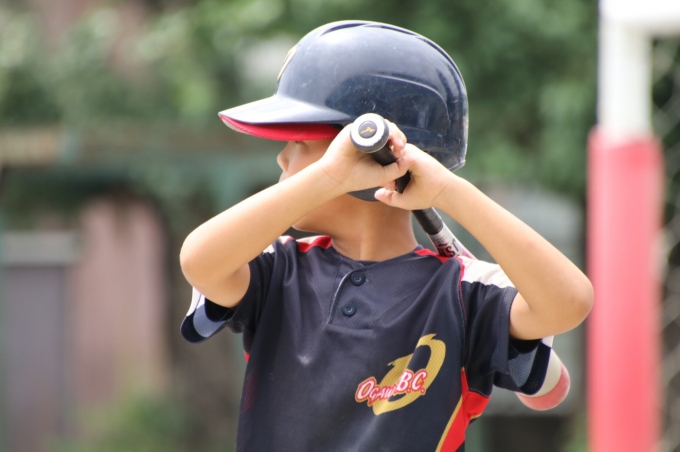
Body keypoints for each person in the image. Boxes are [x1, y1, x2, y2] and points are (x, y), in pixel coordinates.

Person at [179, 21, 593, 452]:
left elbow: (570, 301)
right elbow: (198, 260)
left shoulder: (465, 292)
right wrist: (327, 176)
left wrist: (450, 191)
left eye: (299, 141)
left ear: (374, 156)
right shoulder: (276, 269)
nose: (282, 157)